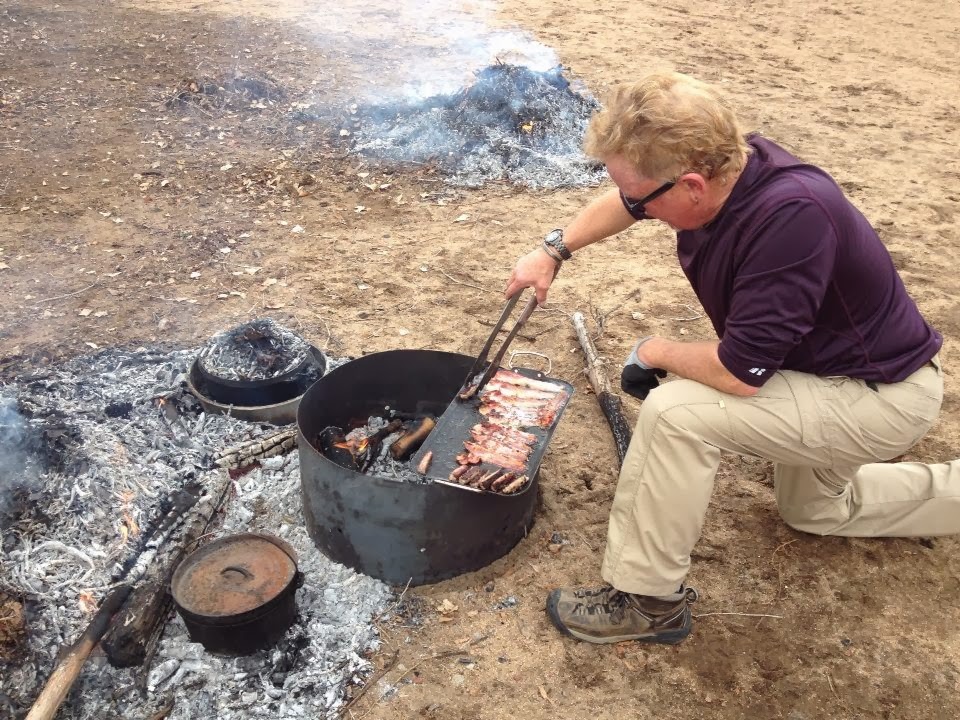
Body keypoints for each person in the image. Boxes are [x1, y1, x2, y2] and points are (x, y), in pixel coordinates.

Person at [505, 70, 957, 646]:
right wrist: (552, 250)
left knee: (674, 413)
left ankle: (648, 604)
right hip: (824, 373)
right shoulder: (727, 166)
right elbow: (626, 202)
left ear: (692, 185)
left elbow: (738, 372)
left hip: (880, 395)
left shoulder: (791, 218)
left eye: (643, 198)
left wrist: (652, 350)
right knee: (815, 512)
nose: (634, 208)